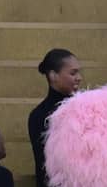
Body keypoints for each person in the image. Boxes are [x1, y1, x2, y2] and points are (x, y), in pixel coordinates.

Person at [28, 49, 83, 187]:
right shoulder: (40, 115)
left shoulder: (85, 107)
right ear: (53, 76)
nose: (79, 77)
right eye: (73, 73)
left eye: (79, 72)